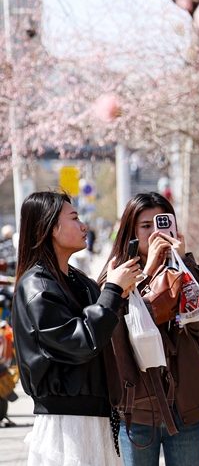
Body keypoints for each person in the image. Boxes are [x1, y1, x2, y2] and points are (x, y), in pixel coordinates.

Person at [12, 190, 142, 466]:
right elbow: (80, 341)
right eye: (74, 218)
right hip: (67, 423)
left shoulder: (78, 281)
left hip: (96, 417)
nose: (84, 226)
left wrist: (117, 293)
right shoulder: (37, 286)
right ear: (51, 228)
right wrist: (112, 291)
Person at [100, 192, 199, 466]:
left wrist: (184, 264)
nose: (155, 233)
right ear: (131, 231)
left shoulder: (185, 271)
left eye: (162, 223)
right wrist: (149, 271)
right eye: (146, 226)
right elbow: (116, 327)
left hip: (186, 404)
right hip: (137, 409)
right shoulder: (115, 276)